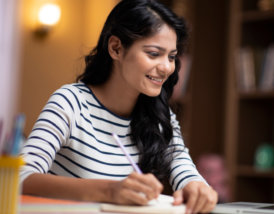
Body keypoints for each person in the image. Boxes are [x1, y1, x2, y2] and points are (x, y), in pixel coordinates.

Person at [19, 0, 218, 213]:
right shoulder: (71, 103)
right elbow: (21, 179)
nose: (166, 67)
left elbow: (186, 174)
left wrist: (198, 189)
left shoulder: (160, 117)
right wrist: (109, 191)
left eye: (171, 56)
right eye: (153, 53)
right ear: (116, 48)